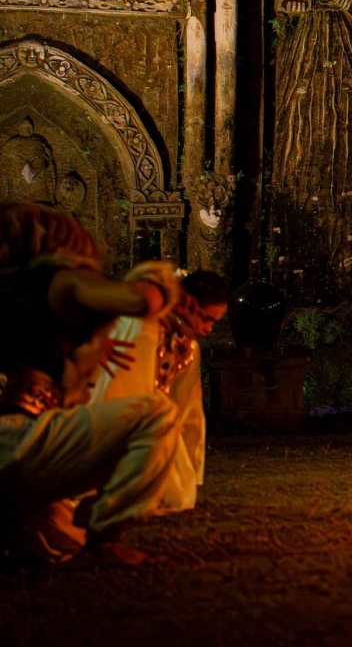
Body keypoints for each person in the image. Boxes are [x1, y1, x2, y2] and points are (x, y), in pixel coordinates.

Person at [0, 203, 183, 565]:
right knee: (155, 415)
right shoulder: (59, 280)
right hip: (14, 441)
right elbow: (139, 300)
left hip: (18, 442)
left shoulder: (12, 293)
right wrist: (157, 281)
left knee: (58, 538)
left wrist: (90, 342)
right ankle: (106, 536)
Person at [85, 270, 228, 511]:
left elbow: (188, 406)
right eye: (206, 318)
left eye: (214, 322)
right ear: (186, 305)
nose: (208, 329)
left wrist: (190, 466)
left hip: (157, 425)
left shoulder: (188, 348)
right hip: (119, 422)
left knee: (175, 497)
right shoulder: (140, 331)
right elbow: (120, 391)